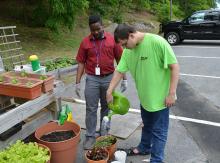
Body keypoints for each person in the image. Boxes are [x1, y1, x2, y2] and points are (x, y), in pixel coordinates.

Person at [106, 24, 179, 163]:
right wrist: (109, 90)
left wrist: (171, 93)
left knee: (159, 132)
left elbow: (174, 67)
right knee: (146, 125)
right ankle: (144, 147)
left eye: (125, 43)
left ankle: (156, 160)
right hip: (145, 99)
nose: (124, 48)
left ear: (131, 35)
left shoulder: (157, 42)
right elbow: (120, 71)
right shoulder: (128, 52)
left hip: (161, 100)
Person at [75, 15, 127, 150]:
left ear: (102, 26)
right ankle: (90, 136)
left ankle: (104, 134)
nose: (96, 32)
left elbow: (121, 60)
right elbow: (81, 62)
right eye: (93, 30)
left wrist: (124, 79)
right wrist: (77, 82)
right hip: (92, 78)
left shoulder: (112, 40)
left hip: (109, 78)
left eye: (98, 29)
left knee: (107, 107)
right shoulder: (85, 42)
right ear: (90, 29)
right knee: (91, 108)